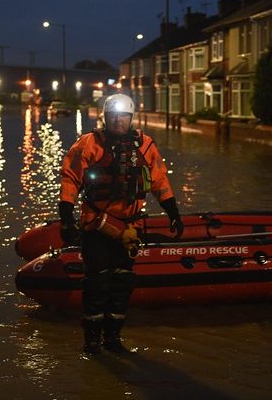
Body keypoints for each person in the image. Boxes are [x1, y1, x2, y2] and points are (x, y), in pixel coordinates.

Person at [58, 93, 183, 354]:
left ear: (131, 118)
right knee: (97, 282)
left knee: (122, 282)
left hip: (129, 227)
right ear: (105, 117)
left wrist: (173, 212)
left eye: (124, 116)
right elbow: (70, 178)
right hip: (97, 224)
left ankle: (112, 338)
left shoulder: (145, 145)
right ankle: (92, 340)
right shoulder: (88, 144)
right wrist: (66, 218)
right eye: (113, 116)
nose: (118, 121)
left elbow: (160, 180)